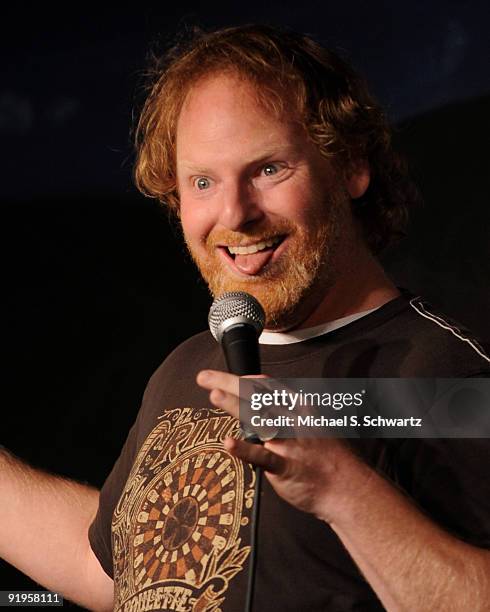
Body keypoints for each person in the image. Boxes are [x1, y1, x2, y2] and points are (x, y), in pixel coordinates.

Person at [1, 24, 490, 612]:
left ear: (352, 167)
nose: (234, 212)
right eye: (203, 181)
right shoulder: (185, 370)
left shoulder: (447, 384)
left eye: (269, 169)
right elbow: (107, 571)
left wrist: (344, 490)